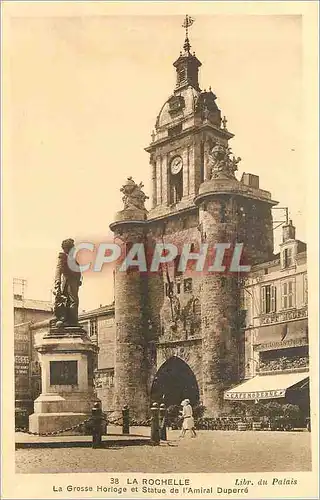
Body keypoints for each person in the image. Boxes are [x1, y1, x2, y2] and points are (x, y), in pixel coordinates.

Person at [53, 238, 82, 327]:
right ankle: (70, 321)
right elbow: (58, 269)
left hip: (74, 283)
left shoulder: (73, 259)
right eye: (72, 248)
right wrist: (57, 281)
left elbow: (78, 271)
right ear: (67, 248)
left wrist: (79, 280)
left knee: (72, 301)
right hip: (68, 282)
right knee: (71, 301)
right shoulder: (63, 256)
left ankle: (71, 320)